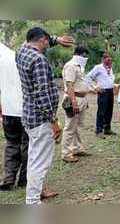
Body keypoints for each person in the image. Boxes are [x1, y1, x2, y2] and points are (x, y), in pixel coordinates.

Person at [16, 27, 73, 204]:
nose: (49, 44)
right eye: (47, 41)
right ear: (41, 41)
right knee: (39, 162)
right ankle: (33, 201)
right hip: (41, 119)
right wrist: (54, 121)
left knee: (34, 157)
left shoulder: (21, 51)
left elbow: (31, 40)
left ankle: (37, 192)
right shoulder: (39, 60)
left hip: (29, 115)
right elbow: (42, 95)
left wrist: (56, 39)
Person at [0, 42, 28, 191]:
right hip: (24, 110)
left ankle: (8, 178)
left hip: (8, 109)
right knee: (27, 145)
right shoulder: (20, 58)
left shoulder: (2, 62)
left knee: (11, 144)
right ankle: (25, 179)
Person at [61, 46, 91, 163]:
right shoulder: (70, 66)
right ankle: (66, 153)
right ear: (79, 55)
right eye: (84, 55)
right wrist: (74, 102)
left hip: (81, 99)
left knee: (77, 126)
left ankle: (76, 148)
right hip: (74, 99)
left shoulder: (79, 67)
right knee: (70, 127)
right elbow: (70, 85)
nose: (85, 58)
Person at [86, 53, 116, 139]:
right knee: (101, 111)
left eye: (110, 60)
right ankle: (99, 130)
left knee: (109, 111)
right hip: (103, 91)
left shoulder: (110, 68)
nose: (110, 61)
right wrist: (95, 87)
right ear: (103, 59)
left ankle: (107, 128)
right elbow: (88, 77)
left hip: (110, 91)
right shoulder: (98, 67)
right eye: (108, 60)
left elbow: (109, 79)